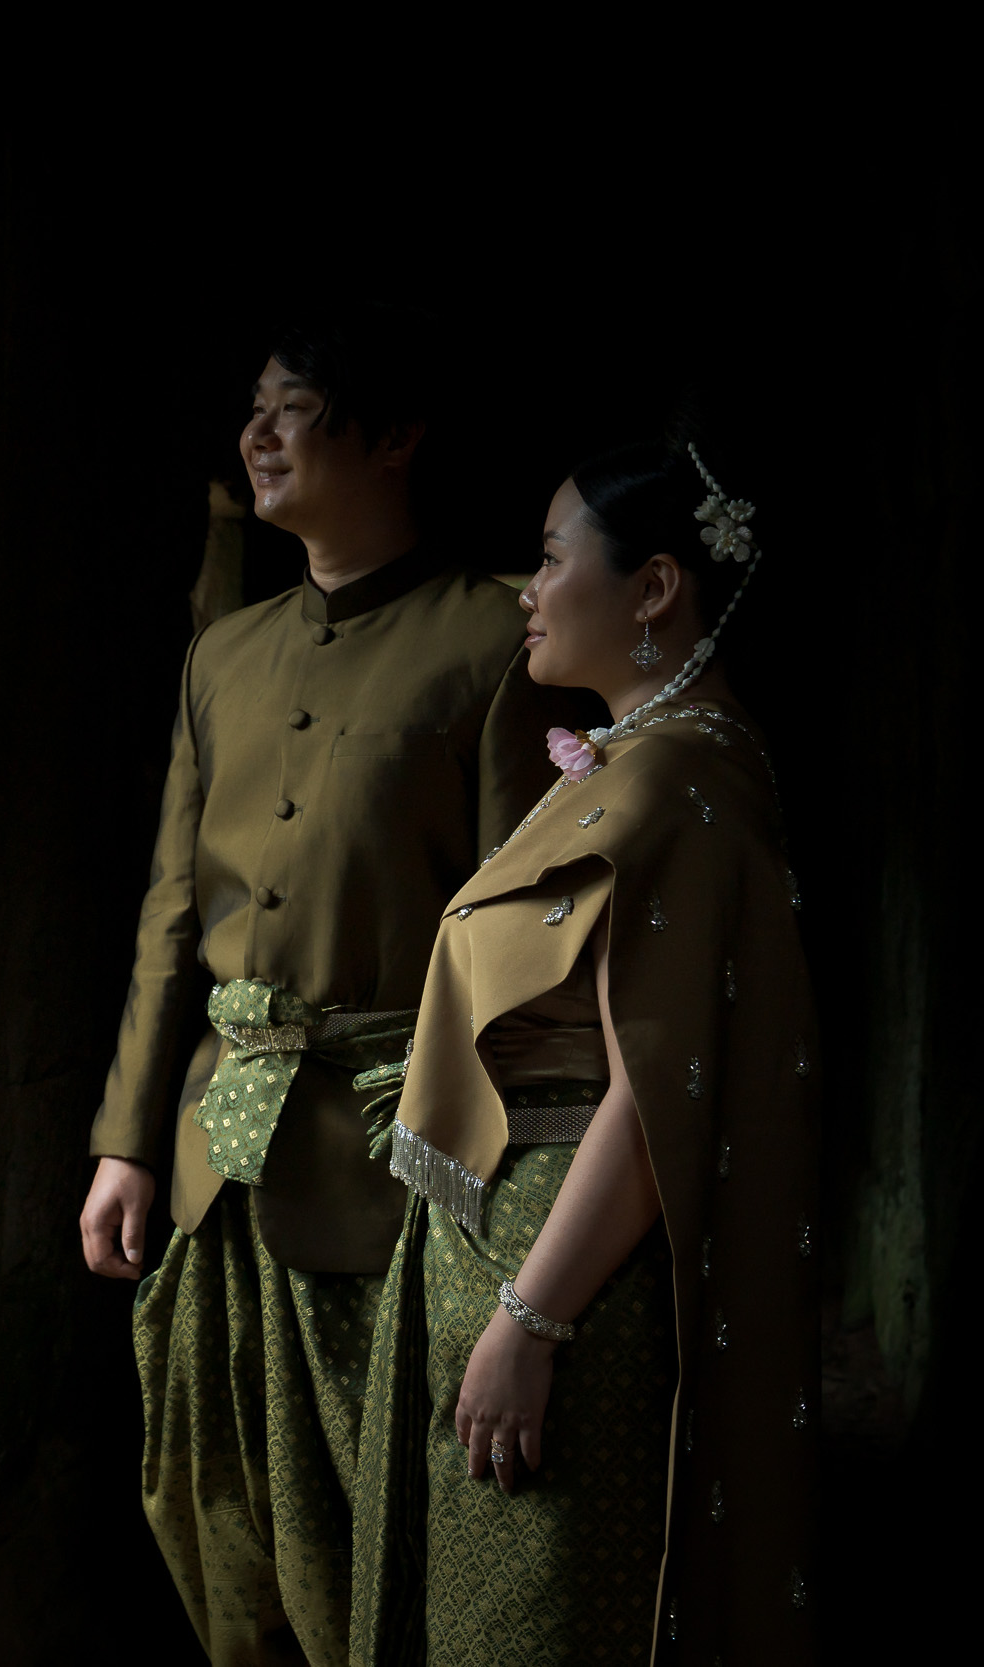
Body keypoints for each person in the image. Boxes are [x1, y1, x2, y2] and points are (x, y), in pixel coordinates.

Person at [76, 311, 597, 1666]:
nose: (258, 435)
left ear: (395, 434)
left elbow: (521, 933)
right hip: (213, 1153)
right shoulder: (224, 653)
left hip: (390, 1162)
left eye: (294, 406)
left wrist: (503, 1190)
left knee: (388, 1523)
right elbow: (170, 908)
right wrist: (128, 1138)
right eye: (251, 408)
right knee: (207, 1498)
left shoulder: (494, 640)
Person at [350, 439, 817, 1666]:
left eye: (552, 559)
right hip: (518, 1259)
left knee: (528, 1628)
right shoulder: (649, 762)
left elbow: (653, 1098)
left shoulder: (673, 785)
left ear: (654, 587)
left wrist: (528, 1320)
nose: (527, 588)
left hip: (564, 1282)